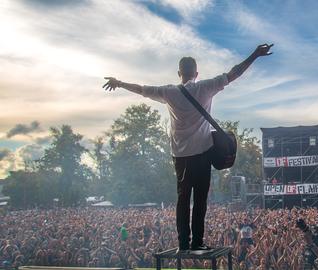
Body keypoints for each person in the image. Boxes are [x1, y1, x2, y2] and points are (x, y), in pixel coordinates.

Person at [102, 43, 273, 253]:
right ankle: (197, 242)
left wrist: (119, 83)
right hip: (202, 154)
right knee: (200, 200)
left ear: (179, 73)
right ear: (197, 73)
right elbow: (234, 73)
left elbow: (142, 90)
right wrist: (255, 54)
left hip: (180, 157)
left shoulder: (168, 92)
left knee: (183, 200)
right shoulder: (205, 87)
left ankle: (183, 243)